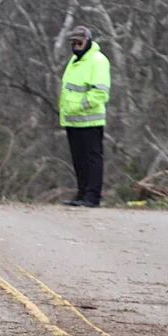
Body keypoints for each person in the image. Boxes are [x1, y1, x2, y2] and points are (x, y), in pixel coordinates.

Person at [59, 26, 111, 208]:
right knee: (78, 159)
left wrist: (80, 107)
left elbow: (100, 93)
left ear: (88, 41)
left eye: (79, 42)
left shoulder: (98, 61)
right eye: (73, 42)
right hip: (72, 120)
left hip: (90, 119)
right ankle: (82, 193)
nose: (76, 45)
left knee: (92, 159)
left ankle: (92, 196)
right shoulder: (75, 61)